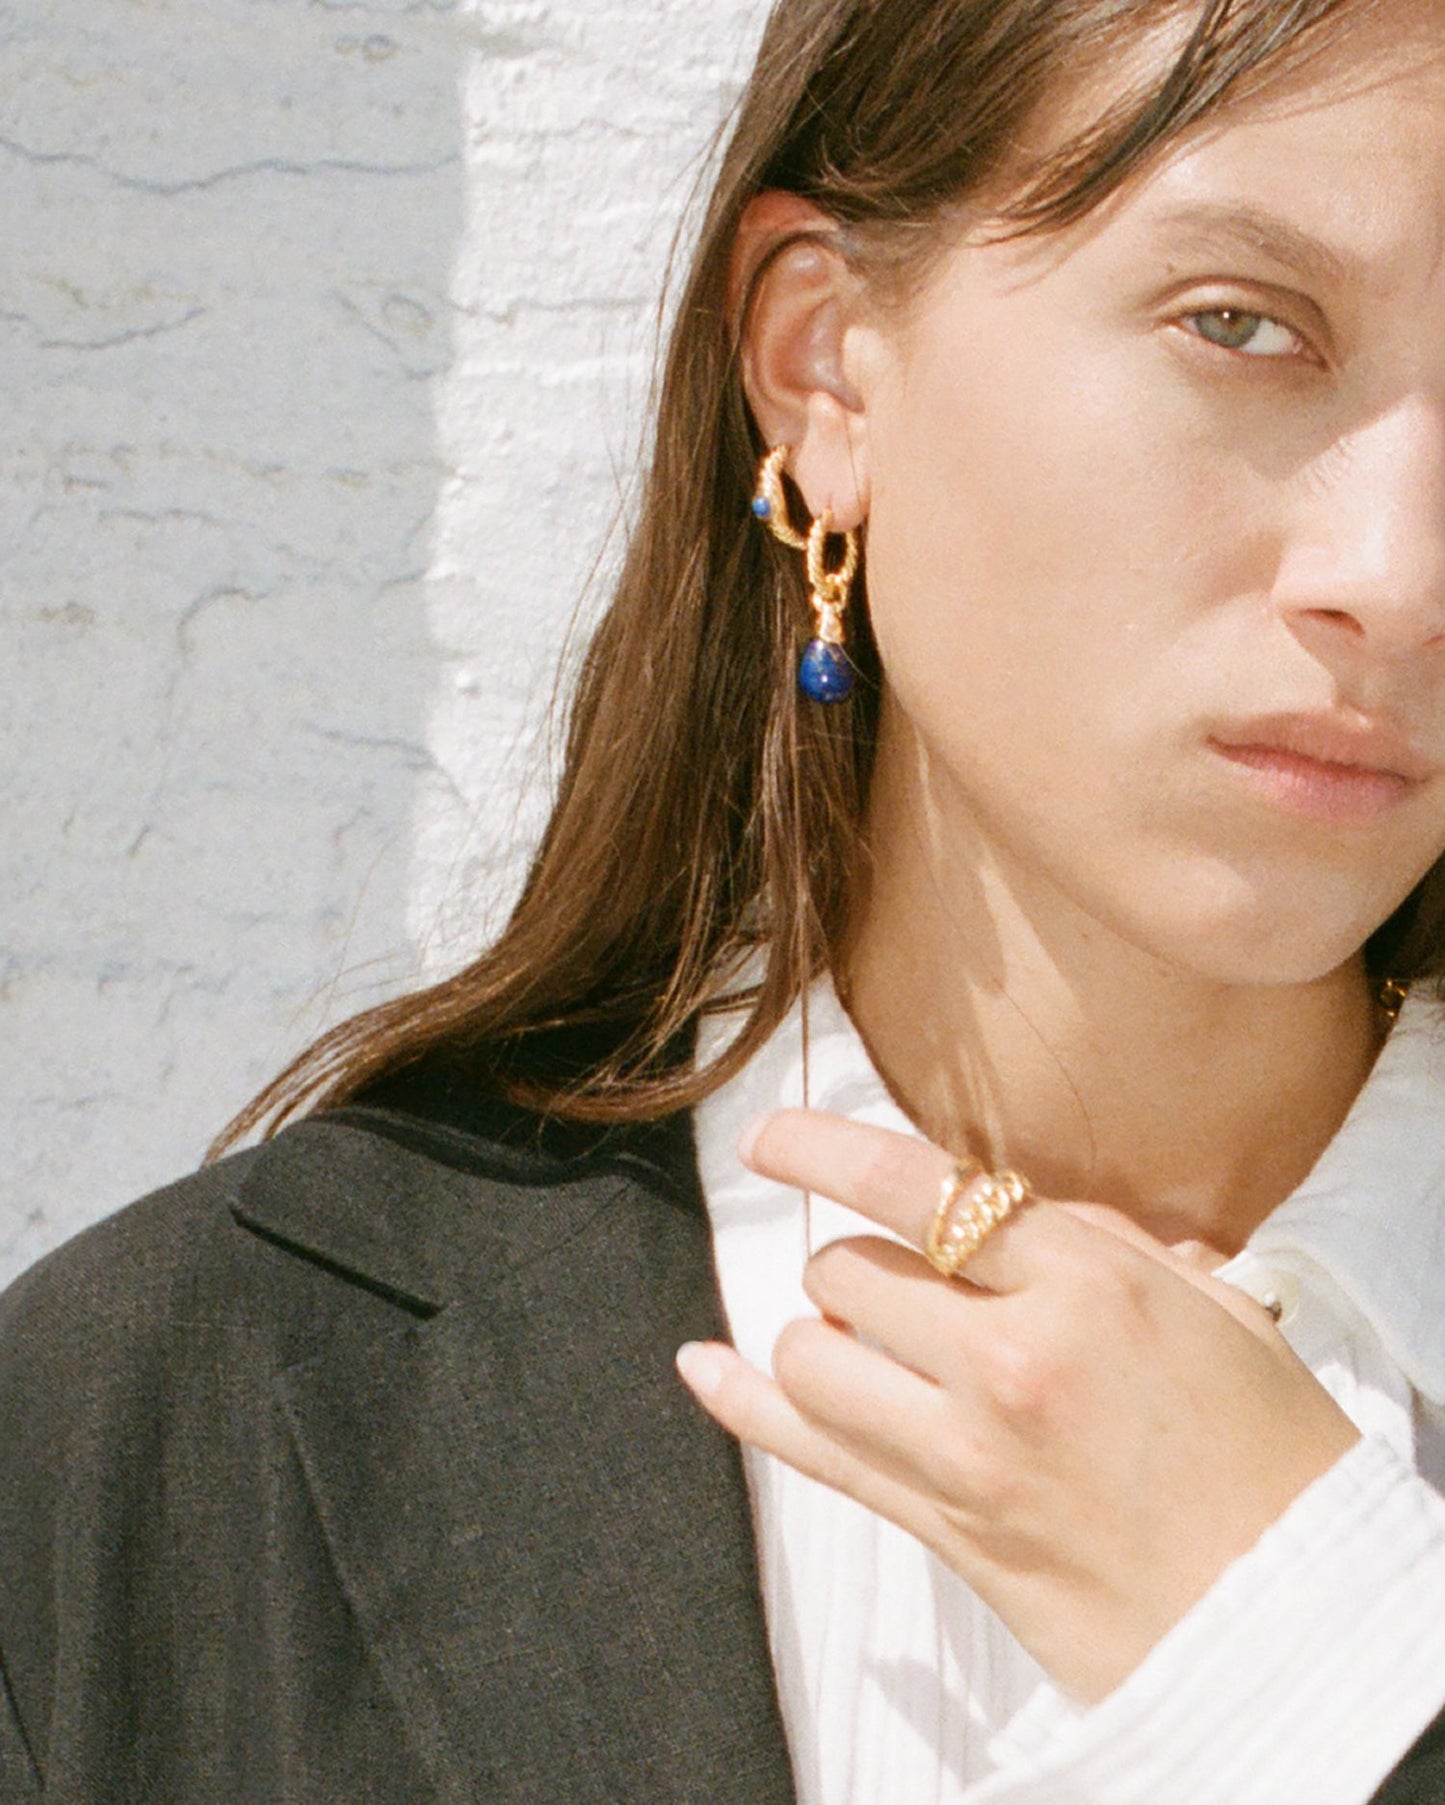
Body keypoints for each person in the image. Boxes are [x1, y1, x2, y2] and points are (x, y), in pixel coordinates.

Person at [4, 0, 1445, 1798]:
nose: (1396, 575)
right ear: (827, 364)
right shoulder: (164, 1428)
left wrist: (1340, 1658)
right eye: (1236, 324)